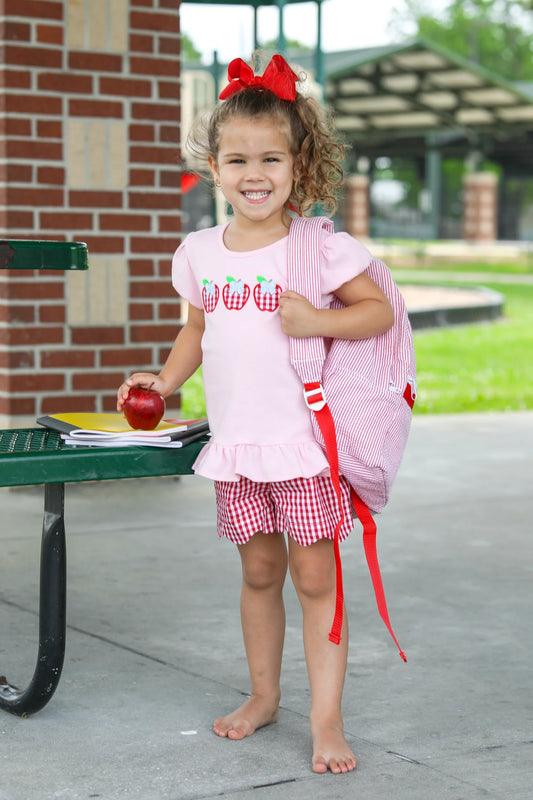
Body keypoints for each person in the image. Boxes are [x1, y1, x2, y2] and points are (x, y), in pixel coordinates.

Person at [117, 54, 394, 775]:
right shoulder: (200, 252)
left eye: (271, 158)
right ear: (214, 168)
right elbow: (197, 329)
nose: (254, 173)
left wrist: (316, 322)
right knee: (261, 572)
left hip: (304, 448)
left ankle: (327, 720)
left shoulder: (318, 247)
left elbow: (376, 312)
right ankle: (265, 696)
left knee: (316, 579)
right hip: (240, 446)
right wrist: (163, 381)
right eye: (237, 159)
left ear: (298, 165)